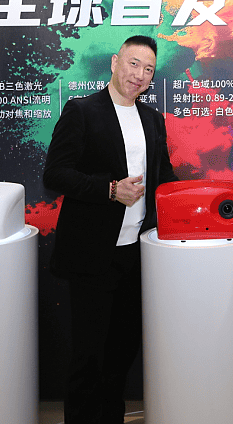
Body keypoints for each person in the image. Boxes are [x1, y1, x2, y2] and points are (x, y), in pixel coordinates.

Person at [43, 35, 178, 424]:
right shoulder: (82, 111)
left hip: (136, 255)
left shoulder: (152, 119)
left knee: (122, 352)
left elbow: (164, 177)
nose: (139, 75)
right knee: (88, 355)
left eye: (148, 70)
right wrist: (110, 189)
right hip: (92, 256)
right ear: (116, 62)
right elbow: (55, 174)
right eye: (133, 64)